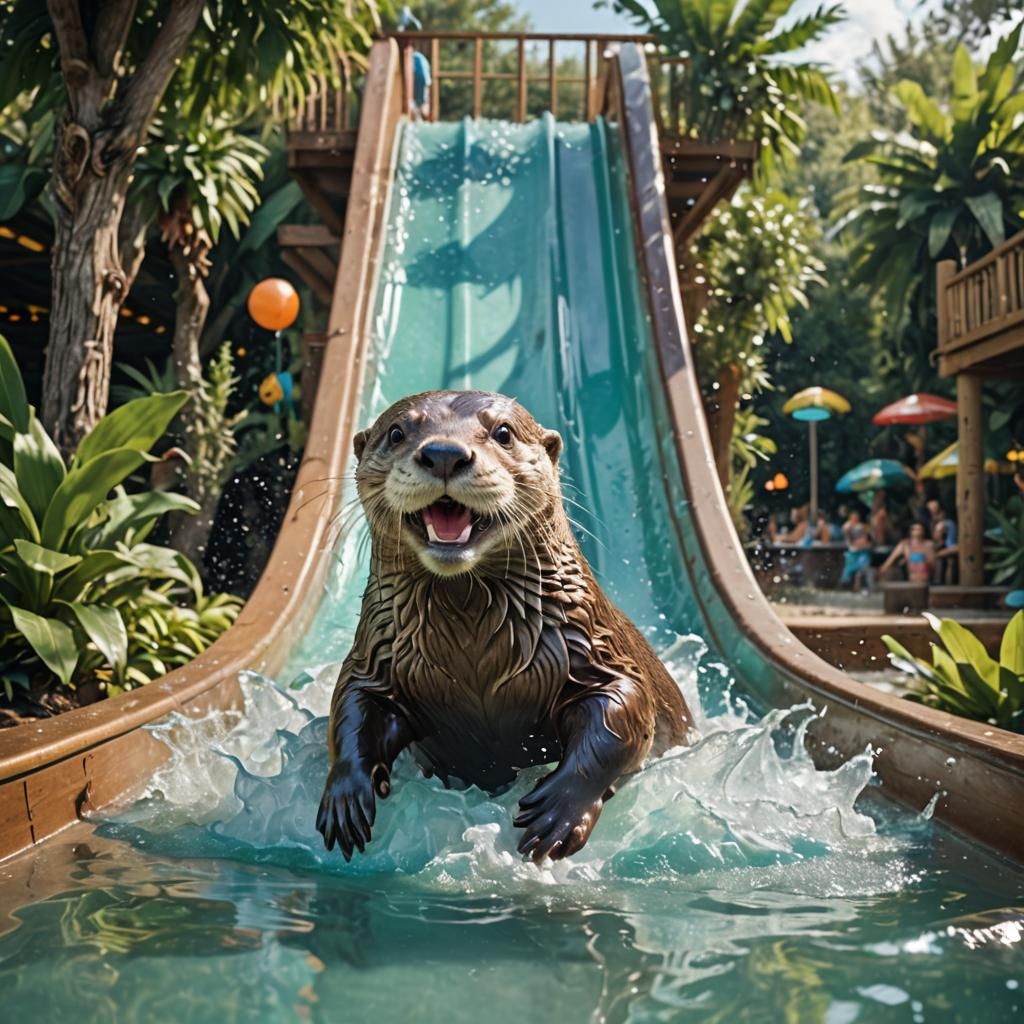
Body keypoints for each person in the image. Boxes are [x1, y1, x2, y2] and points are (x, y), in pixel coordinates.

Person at [840, 507, 873, 591]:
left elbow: (868, 541)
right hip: (852, 553)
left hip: (863, 552)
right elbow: (849, 541)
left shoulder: (862, 527)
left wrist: (863, 543)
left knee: (864, 566)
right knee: (848, 568)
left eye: (856, 518)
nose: (854, 520)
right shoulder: (847, 527)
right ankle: (846, 585)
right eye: (853, 518)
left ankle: (864, 586)